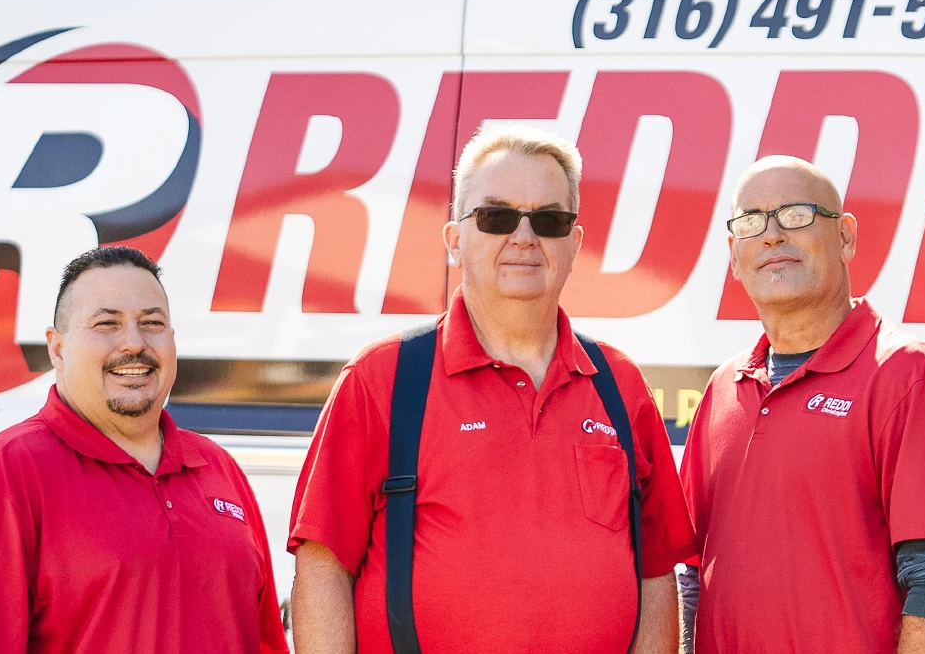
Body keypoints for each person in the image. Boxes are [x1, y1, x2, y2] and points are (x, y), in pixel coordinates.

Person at [286, 126, 694, 653]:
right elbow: (322, 564)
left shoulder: (620, 384)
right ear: (455, 240)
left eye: (549, 220)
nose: (523, 238)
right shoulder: (382, 379)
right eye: (496, 217)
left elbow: (656, 572)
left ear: (574, 244)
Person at [679, 155, 925, 654]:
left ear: (845, 236)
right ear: (734, 256)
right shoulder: (722, 389)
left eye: (796, 215)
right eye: (752, 222)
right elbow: (691, 576)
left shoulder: (908, 375)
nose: (773, 235)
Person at [0, 246, 286, 654]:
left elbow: (266, 640)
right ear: (58, 349)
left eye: (152, 323)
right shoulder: (3, 477)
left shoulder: (217, 468)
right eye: (106, 324)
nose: (133, 344)